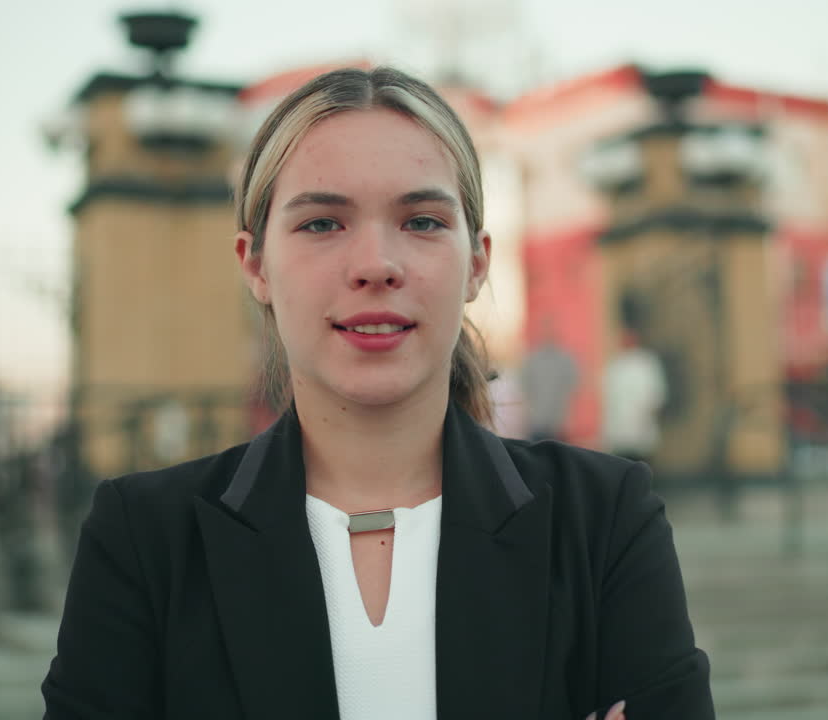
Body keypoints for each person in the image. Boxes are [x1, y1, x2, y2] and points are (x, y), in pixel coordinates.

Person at [41, 66, 713, 720]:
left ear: (476, 263)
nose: (375, 266)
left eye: (421, 221)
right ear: (255, 263)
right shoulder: (143, 539)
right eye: (322, 223)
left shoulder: (603, 522)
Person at [602, 330, 669, 465]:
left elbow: (656, 392)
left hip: (641, 422)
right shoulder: (615, 364)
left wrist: (650, 411)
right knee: (622, 461)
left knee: (642, 461)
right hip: (619, 427)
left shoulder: (646, 363)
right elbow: (609, 396)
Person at [520, 316, 579, 442]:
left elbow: (573, 388)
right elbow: (525, 388)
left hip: (559, 425)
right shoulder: (533, 360)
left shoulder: (566, 360)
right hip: (537, 423)